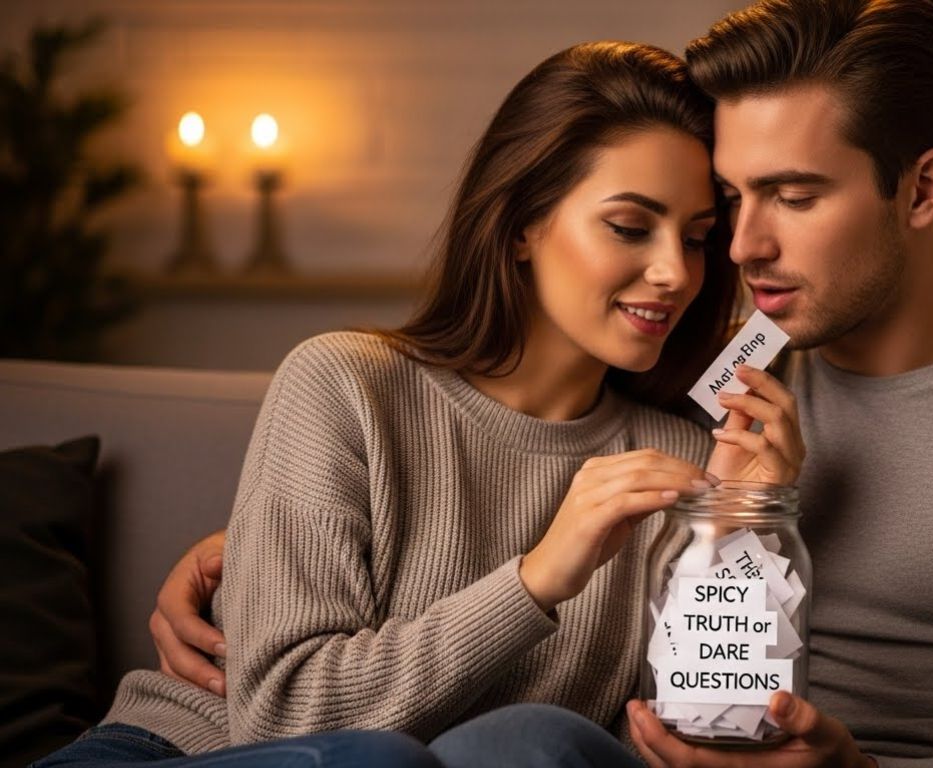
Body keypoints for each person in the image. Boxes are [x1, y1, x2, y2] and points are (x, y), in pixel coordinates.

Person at [152, 1, 933, 766]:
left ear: (923, 190)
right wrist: (250, 553)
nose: (736, 252)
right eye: (732, 203)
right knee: (523, 743)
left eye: (792, 197)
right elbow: (517, 464)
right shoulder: (712, 382)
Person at [31, 40, 805, 768]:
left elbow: (680, 739)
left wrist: (736, 530)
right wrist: (535, 579)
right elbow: (285, 716)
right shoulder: (345, 385)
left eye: (697, 238)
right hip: (181, 752)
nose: (675, 272)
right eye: (630, 227)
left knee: (528, 741)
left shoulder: (682, 464)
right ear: (522, 226)